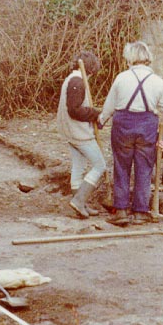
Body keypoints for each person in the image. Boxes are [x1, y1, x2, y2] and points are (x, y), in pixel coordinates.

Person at [98, 41, 163, 226]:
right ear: (148, 58)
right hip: (147, 128)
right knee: (144, 169)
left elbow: (109, 106)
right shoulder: (158, 81)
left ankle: (121, 210)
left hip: (123, 126)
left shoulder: (121, 78)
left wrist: (100, 121)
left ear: (130, 58)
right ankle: (140, 212)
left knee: (121, 168)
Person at [56, 51, 106, 219]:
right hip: (79, 133)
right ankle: (79, 200)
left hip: (70, 131)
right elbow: (74, 110)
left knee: (78, 166)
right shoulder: (77, 82)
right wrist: (94, 113)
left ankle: (80, 203)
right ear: (91, 68)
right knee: (100, 165)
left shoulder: (71, 79)